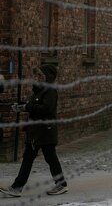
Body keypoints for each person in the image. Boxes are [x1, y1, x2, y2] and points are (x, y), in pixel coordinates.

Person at [0, 64, 68, 197]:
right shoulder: (39, 90)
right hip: (35, 132)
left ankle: (60, 185)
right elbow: (34, 105)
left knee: (50, 158)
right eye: (36, 75)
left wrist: (27, 107)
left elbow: (46, 109)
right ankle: (17, 187)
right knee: (28, 159)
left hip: (45, 132)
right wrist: (22, 106)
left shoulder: (50, 91)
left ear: (47, 77)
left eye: (39, 75)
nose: (36, 77)